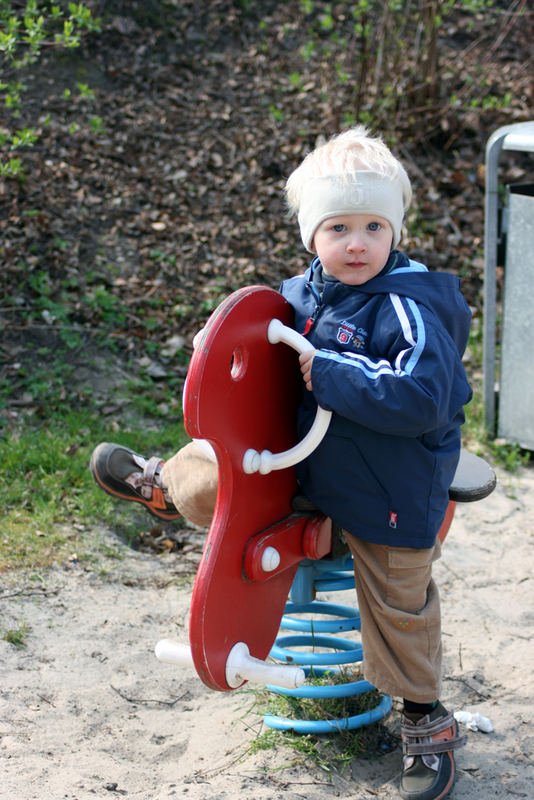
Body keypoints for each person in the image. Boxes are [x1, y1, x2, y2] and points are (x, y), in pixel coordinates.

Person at [90, 126, 472, 800]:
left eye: (374, 227)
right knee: (213, 465)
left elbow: (422, 397)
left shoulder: (411, 309)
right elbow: (260, 374)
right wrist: (220, 347)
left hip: (391, 484)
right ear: (310, 236)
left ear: (396, 231)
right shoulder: (301, 297)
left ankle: (424, 720)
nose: (357, 243)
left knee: (398, 598)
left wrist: (331, 372)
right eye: (339, 227)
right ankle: (167, 489)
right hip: (310, 470)